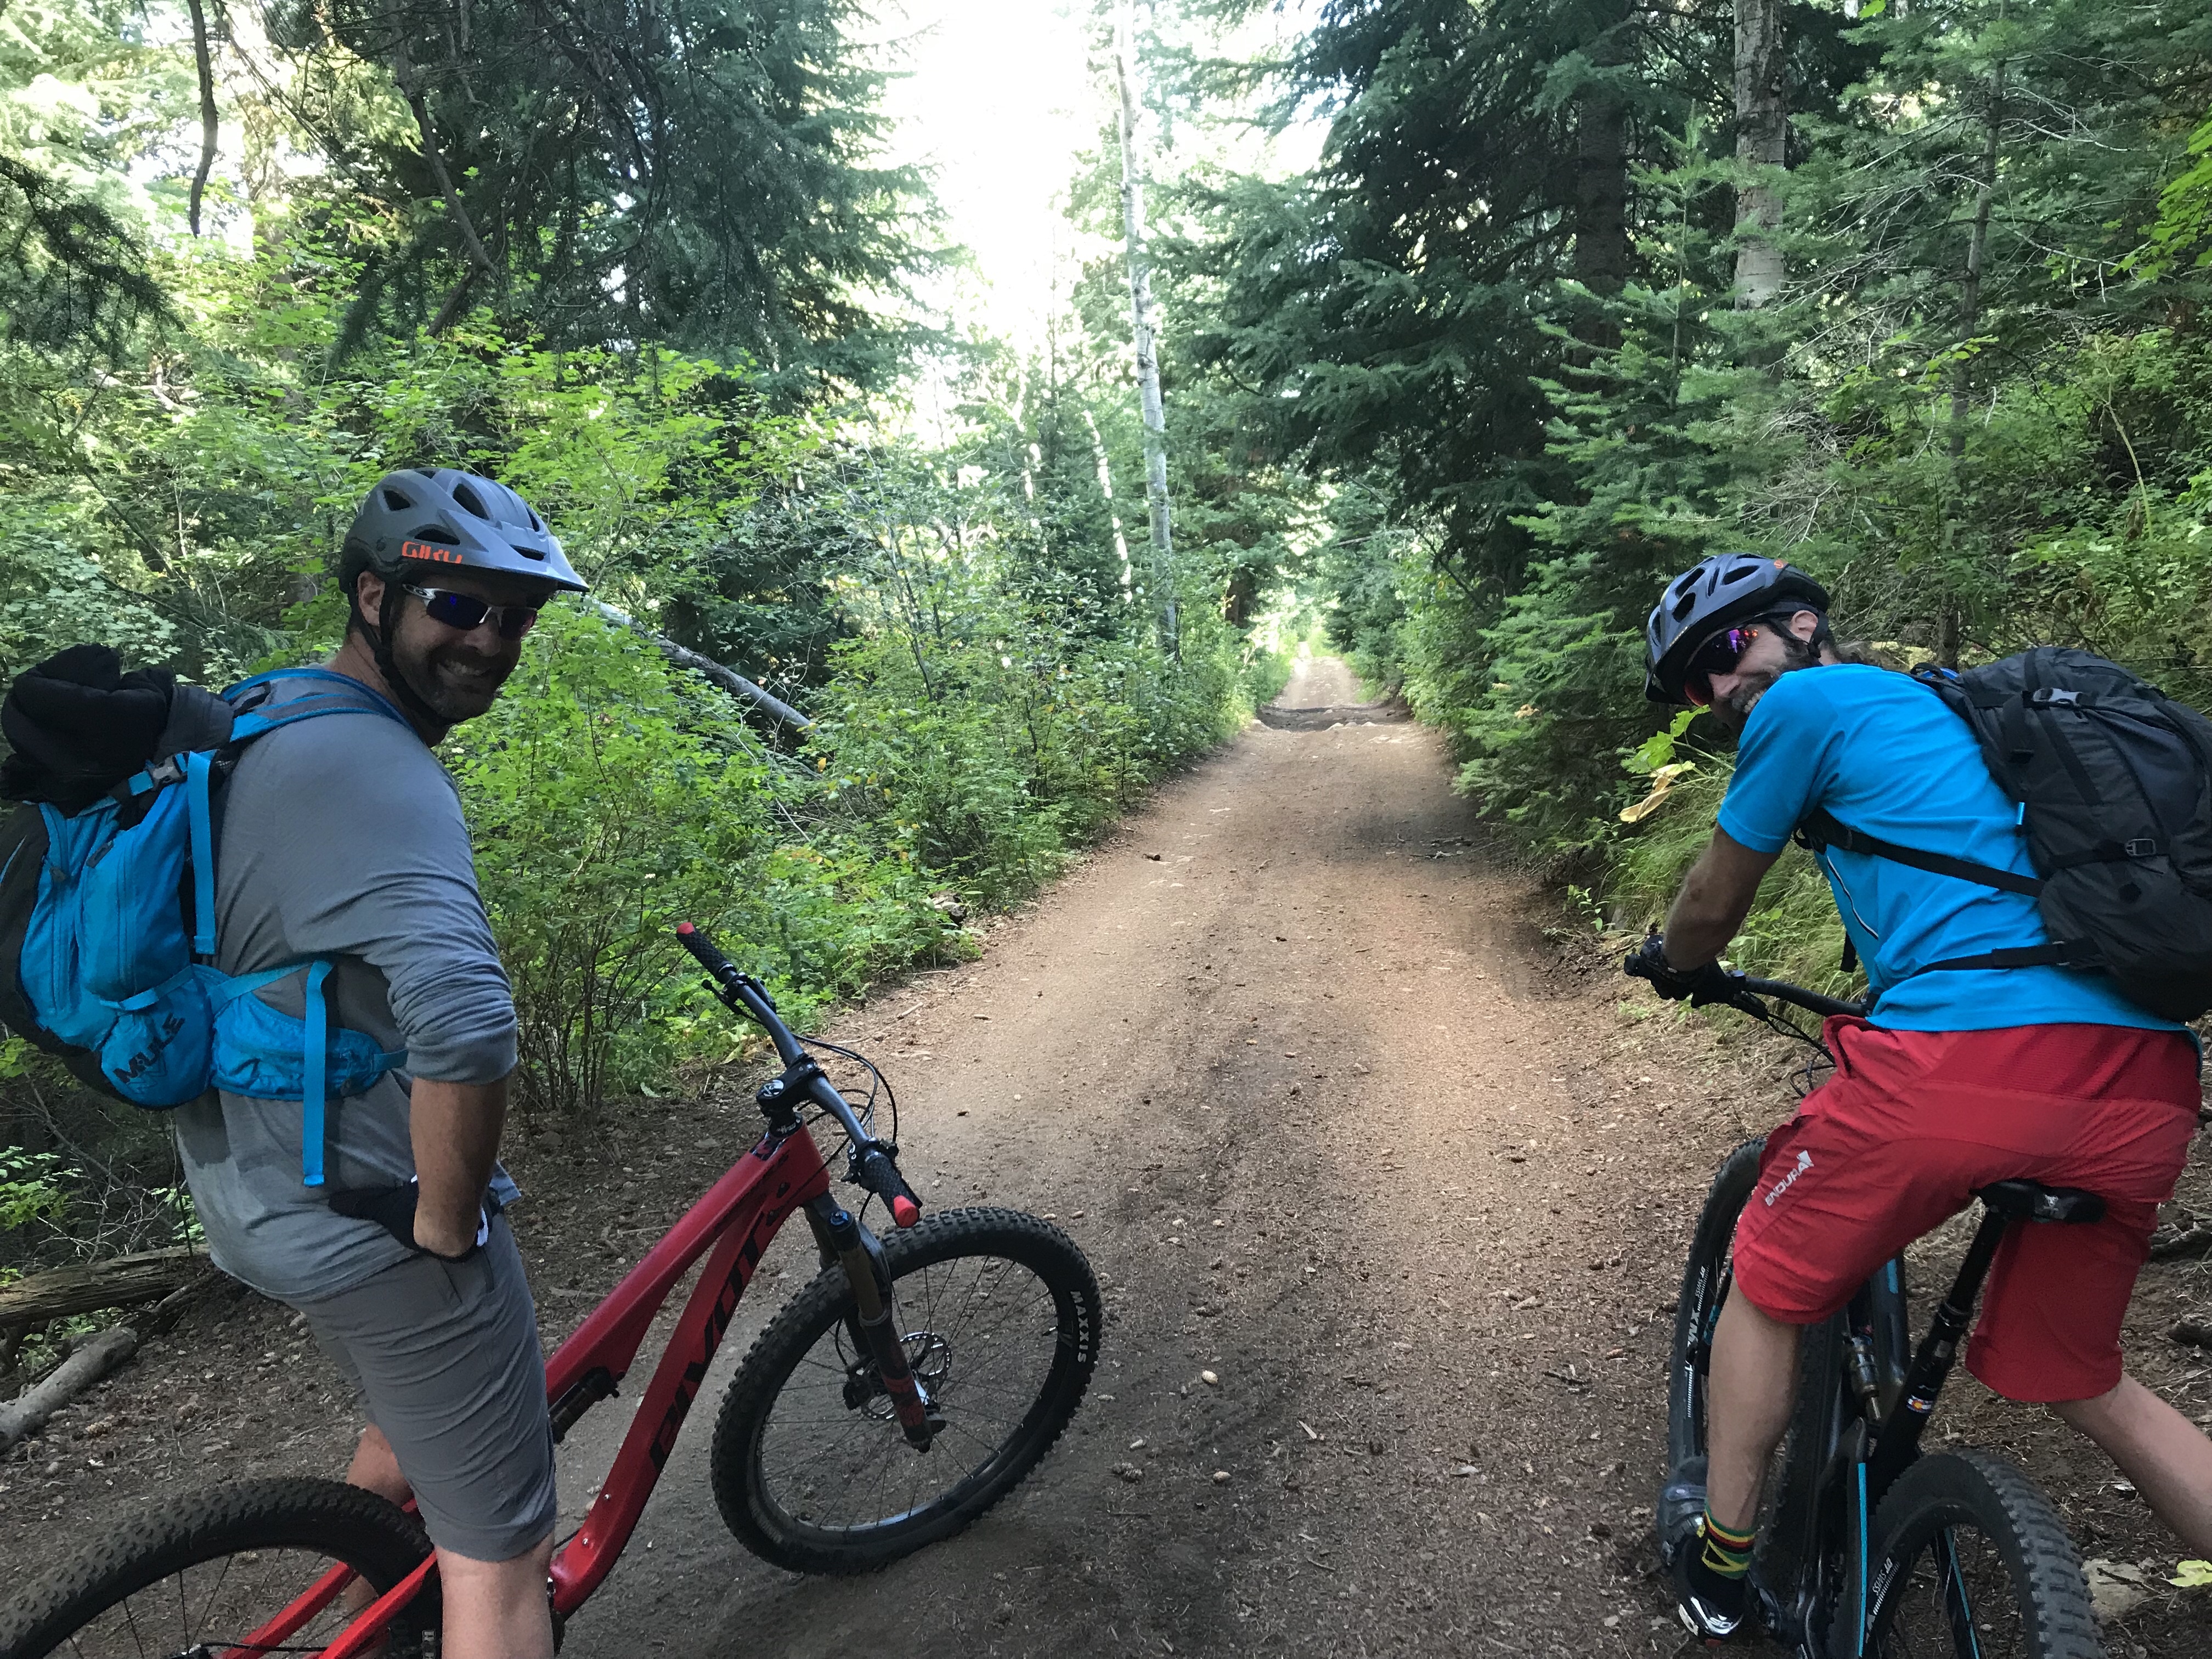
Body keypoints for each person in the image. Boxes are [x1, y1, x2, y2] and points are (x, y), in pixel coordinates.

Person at [1634, 554, 2211, 1641]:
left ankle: (1721, 1569)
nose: (1718, 689)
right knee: (2080, 1377)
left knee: (1766, 1283)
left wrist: (1678, 957)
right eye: (1695, 686)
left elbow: (1713, 899)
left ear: (1804, 625)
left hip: (1965, 1069)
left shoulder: (1806, 704)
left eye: (1727, 648)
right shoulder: (1974, 725)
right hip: (2146, 1084)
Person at [173, 468, 588, 1659]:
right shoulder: (375, 770)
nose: (491, 639)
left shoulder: (266, 712)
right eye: (457, 605)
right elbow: (469, 1023)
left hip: (250, 1186)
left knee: (410, 1422)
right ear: (373, 597)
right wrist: (446, 1228)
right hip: (364, 1213)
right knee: (502, 1562)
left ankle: (369, 1627)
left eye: (515, 616)